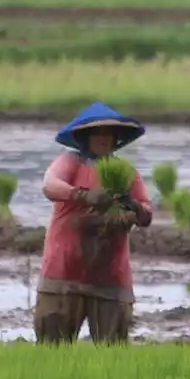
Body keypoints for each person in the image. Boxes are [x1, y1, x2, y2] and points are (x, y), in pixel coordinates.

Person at [35, 101, 153, 345]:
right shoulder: (70, 162)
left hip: (110, 277)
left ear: (116, 138)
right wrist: (83, 195)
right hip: (64, 272)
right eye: (97, 132)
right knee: (52, 348)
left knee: (112, 350)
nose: (103, 138)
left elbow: (146, 215)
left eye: (108, 133)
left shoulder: (125, 172)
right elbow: (49, 185)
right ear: (85, 136)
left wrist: (131, 206)